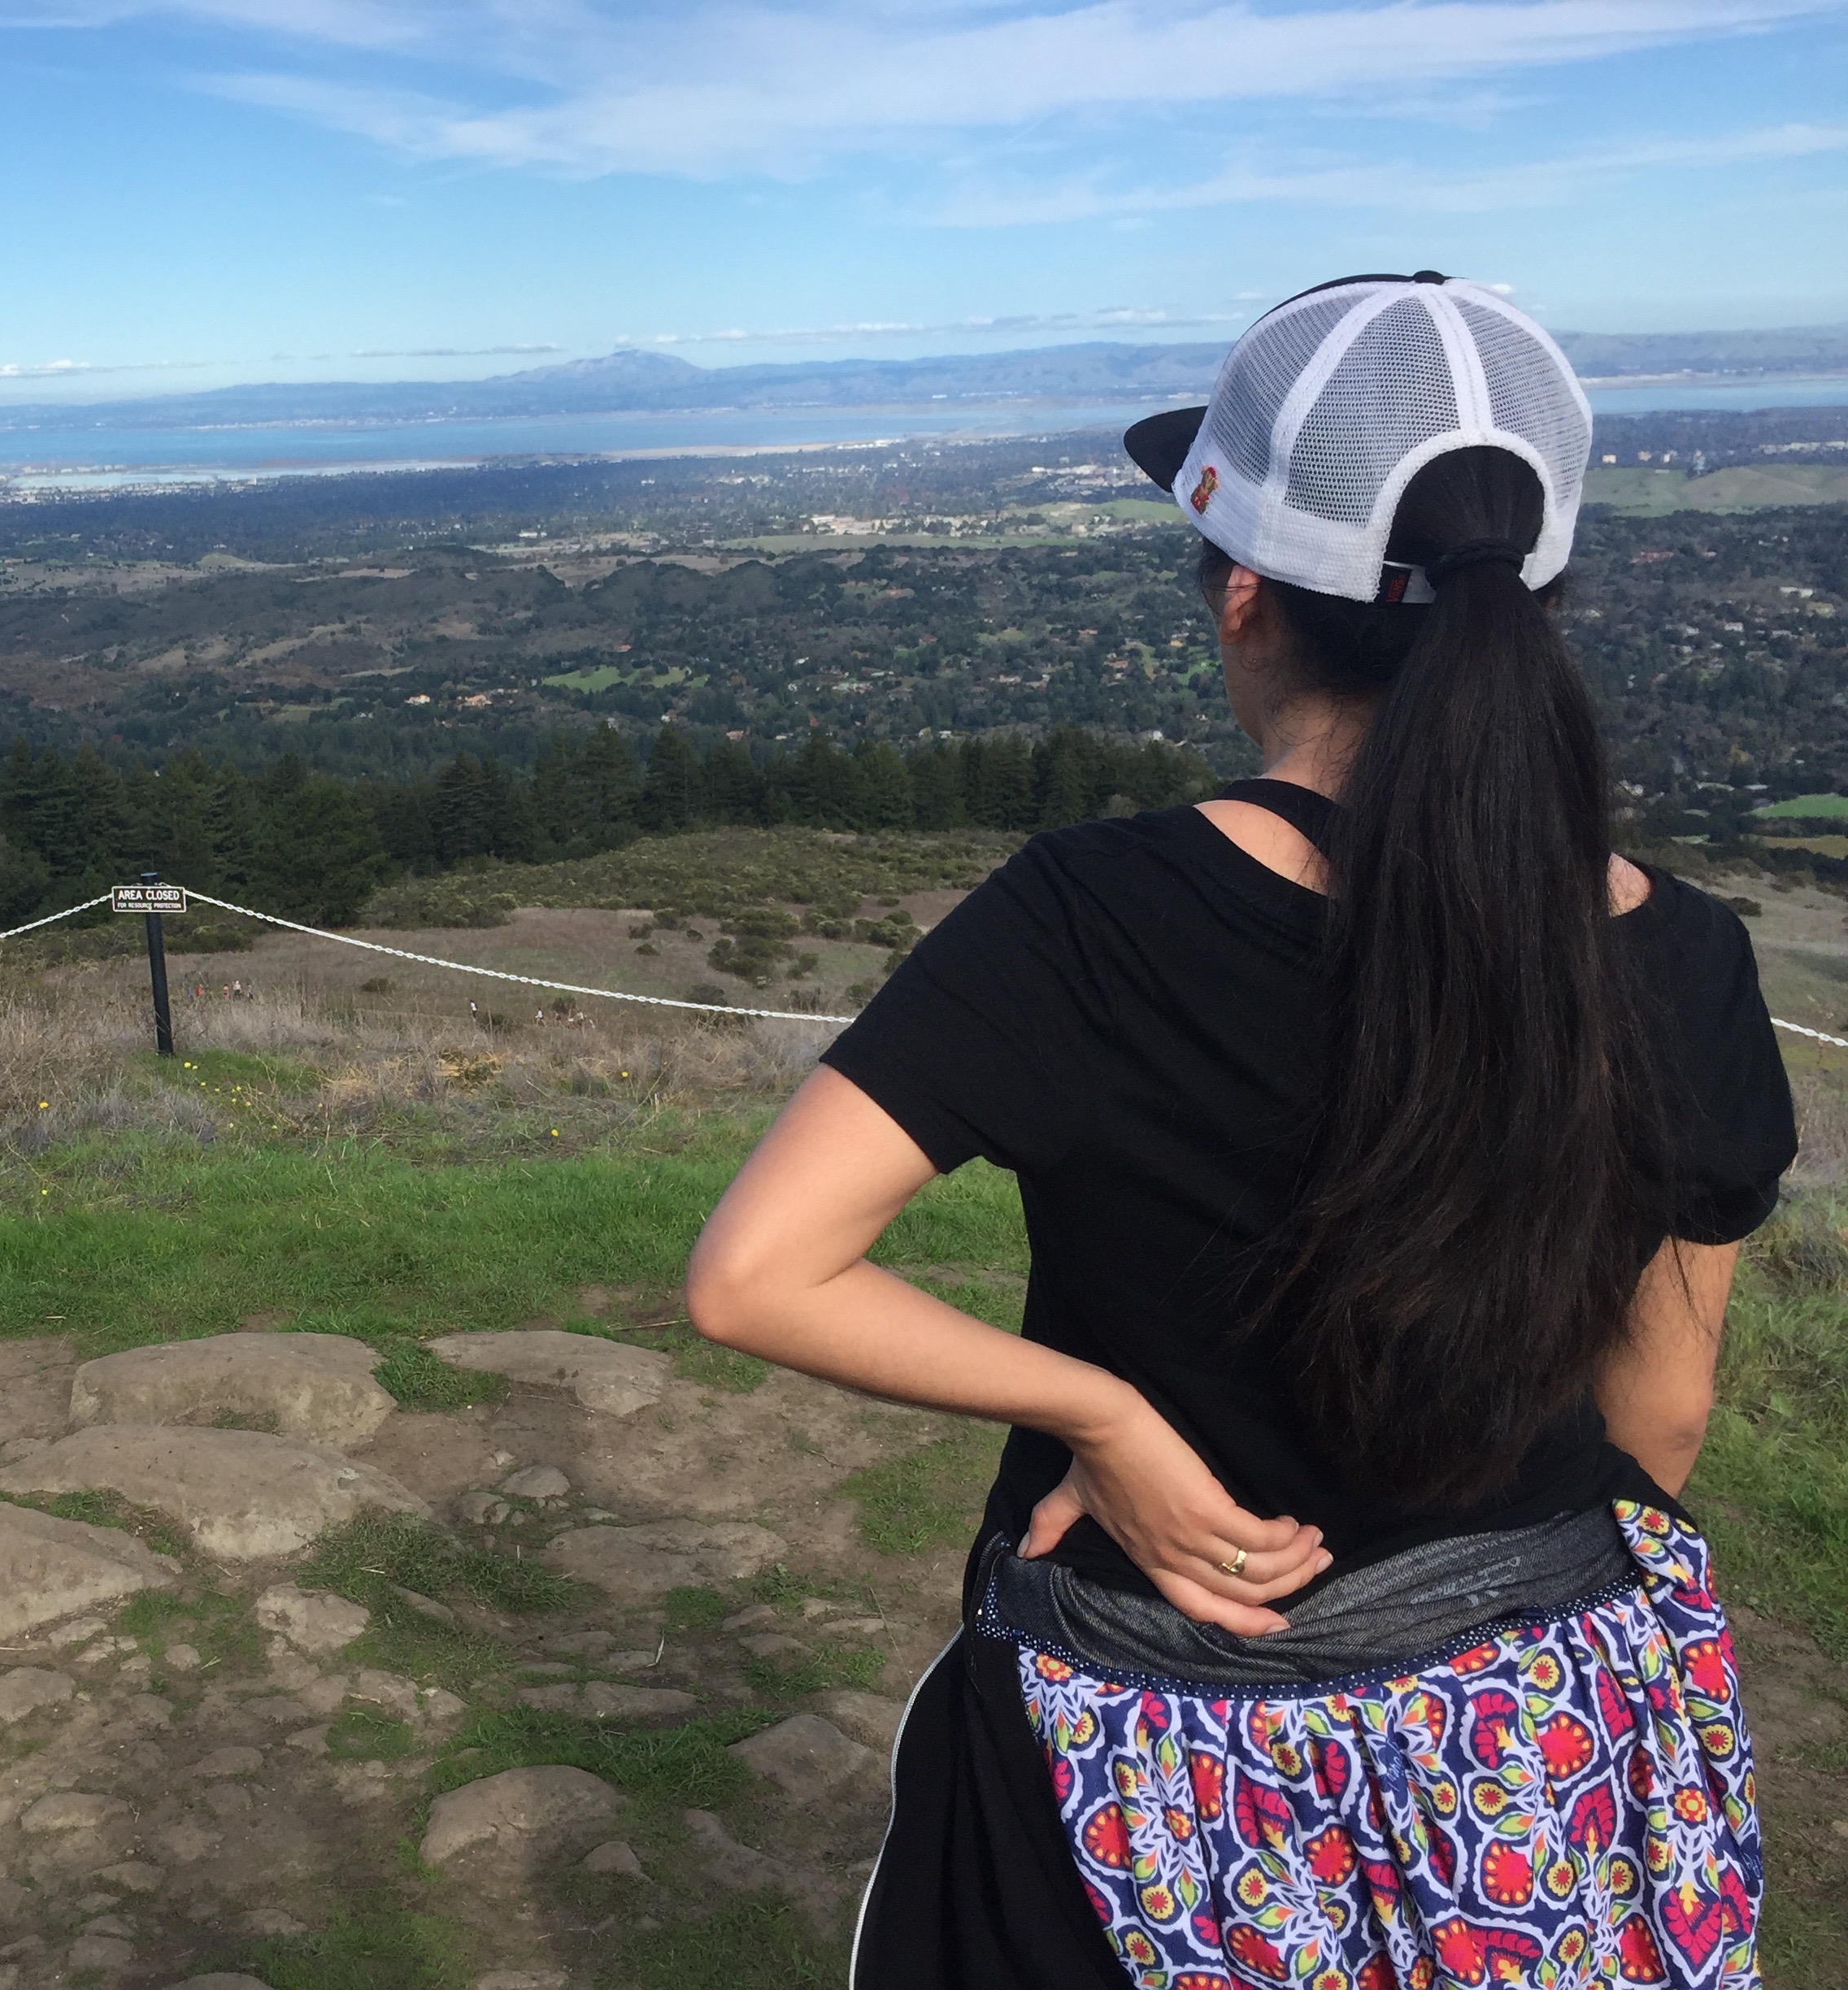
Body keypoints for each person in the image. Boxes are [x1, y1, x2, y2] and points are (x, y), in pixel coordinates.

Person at [686, 273, 1793, 1989]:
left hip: (1163, 1759)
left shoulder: (1093, 915)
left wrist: (1102, 1414)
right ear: (1536, 598)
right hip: (1548, 1753)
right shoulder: (1687, 952)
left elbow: (757, 1275)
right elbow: (1661, 1413)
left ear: (1243, 597)